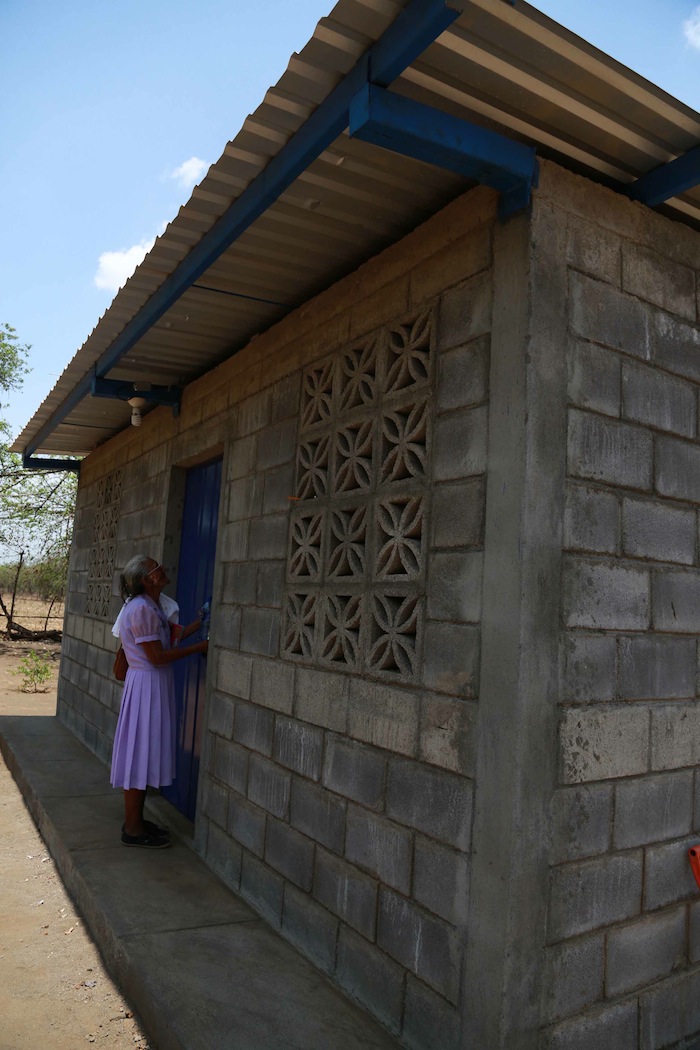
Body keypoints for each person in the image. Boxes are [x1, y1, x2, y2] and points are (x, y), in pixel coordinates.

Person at [110, 555, 208, 849]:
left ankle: (136, 823)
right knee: (138, 757)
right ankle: (133, 829)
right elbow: (157, 656)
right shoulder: (141, 609)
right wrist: (202, 647)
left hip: (151, 685)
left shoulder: (150, 605)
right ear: (145, 579)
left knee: (143, 756)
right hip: (146, 687)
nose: (162, 569)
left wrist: (199, 623)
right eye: (155, 568)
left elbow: (169, 638)